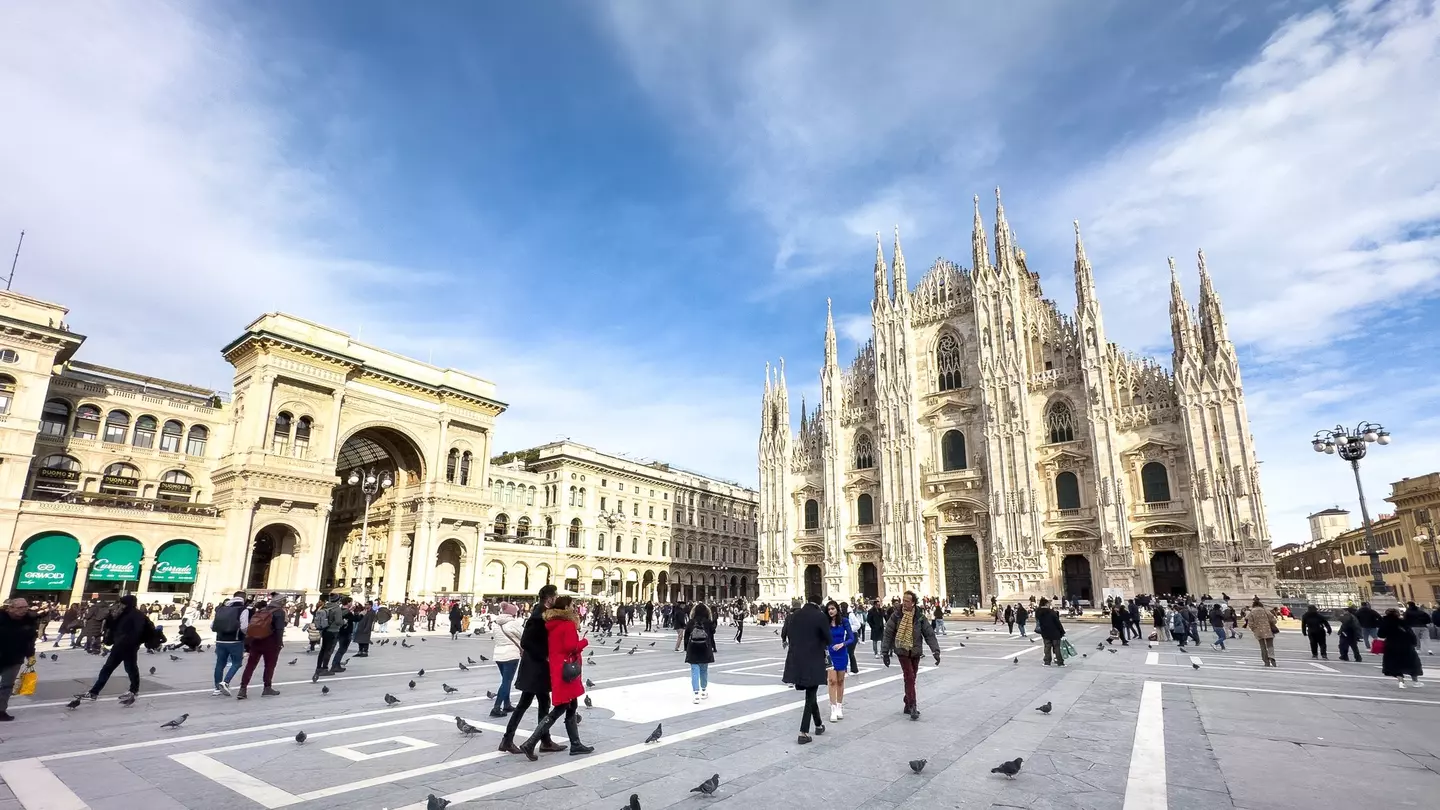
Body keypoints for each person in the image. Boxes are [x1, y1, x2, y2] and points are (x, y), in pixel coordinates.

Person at [518, 596, 592, 758]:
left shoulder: (553, 624)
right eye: (572, 605)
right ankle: (530, 743)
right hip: (567, 671)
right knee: (561, 707)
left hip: (558, 669)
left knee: (571, 706)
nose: (574, 608)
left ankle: (576, 744)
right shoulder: (567, 624)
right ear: (566, 607)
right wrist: (584, 641)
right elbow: (571, 647)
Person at [500, 585, 566, 755]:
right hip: (535, 668)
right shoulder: (539, 616)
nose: (556, 599)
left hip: (535, 668)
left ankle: (536, 740)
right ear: (550, 598)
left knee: (534, 703)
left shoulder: (541, 612)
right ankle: (540, 741)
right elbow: (526, 642)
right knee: (535, 704)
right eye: (555, 596)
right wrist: (544, 656)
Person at [882, 591, 941, 721]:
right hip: (902, 650)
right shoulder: (897, 615)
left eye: (908, 601)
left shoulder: (919, 616)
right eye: (904, 600)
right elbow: (888, 633)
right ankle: (913, 706)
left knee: (912, 678)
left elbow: (929, 634)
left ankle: (907, 702)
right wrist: (885, 652)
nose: (905, 603)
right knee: (909, 676)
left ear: (913, 602)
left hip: (915, 651)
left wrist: (935, 651)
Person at [81, 595, 150, 702]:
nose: (121, 605)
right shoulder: (126, 614)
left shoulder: (135, 615)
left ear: (127, 604)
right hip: (124, 646)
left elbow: (138, 631)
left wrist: (129, 642)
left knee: (109, 669)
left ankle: (94, 692)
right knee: (130, 669)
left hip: (125, 646)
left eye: (123, 603)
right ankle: (134, 690)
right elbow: (115, 628)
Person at [781, 595, 830, 745]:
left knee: (811, 692)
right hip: (813, 659)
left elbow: (787, 633)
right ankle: (803, 732)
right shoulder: (820, 616)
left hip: (796, 660)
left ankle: (819, 725)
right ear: (820, 603)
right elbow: (828, 638)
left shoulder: (794, 615)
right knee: (810, 694)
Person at [237, 596, 287, 699]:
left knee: (250, 665)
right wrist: (279, 642)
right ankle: (267, 688)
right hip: (270, 642)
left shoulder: (262, 610)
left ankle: (243, 689)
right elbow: (279, 629)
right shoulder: (279, 612)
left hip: (256, 641)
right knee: (269, 666)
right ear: (281, 602)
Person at [0, 598, 39, 721]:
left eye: (25, 607)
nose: (23, 610)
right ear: (10, 608)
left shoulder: (29, 620)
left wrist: (30, 655)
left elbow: (30, 640)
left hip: (15, 658)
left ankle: (1, 710)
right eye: (20, 608)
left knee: (7, 685)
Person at [210, 593, 249, 696]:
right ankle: (226, 682)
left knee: (220, 664)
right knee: (237, 663)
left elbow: (212, 625)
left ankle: (216, 688)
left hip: (220, 640)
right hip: (235, 641)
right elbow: (244, 626)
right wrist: (245, 635)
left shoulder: (222, 608)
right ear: (243, 599)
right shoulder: (243, 609)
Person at [824, 601, 856, 722]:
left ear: (837, 609)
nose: (831, 611)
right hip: (831, 654)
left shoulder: (844, 621)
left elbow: (851, 638)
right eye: (828, 609)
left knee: (841, 680)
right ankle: (832, 708)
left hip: (842, 653)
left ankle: (839, 706)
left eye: (832, 608)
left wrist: (842, 644)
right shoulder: (825, 623)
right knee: (832, 681)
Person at [1378, 607, 1424, 688]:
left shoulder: (1385, 623)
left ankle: (1401, 682)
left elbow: (1381, 634)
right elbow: (1410, 633)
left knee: (1395, 665)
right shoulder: (1402, 622)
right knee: (1412, 664)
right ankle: (1415, 682)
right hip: (1406, 646)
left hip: (1391, 646)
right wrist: (1414, 643)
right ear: (1397, 614)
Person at [492, 602, 523, 717]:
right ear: (513, 613)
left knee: (505, 680)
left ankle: (507, 704)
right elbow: (523, 636)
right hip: (511, 655)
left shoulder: (496, 623)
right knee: (507, 681)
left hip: (498, 655)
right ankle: (496, 707)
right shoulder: (514, 623)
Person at [685, 603, 717, 703]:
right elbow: (712, 633)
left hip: (693, 648)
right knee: (704, 670)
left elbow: (686, 636)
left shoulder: (691, 622)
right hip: (705, 648)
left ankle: (696, 694)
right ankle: (703, 691)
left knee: (695, 670)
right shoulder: (708, 622)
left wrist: (686, 648)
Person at [1244, 598, 1278, 667]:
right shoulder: (1265, 610)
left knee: (1263, 646)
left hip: (1258, 631)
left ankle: (1266, 661)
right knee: (1270, 645)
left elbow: (1250, 623)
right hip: (1268, 630)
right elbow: (1273, 620)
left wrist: (1254, 629)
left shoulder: (1252, 612)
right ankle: (1272, 657)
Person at [1035, 598, 1066, 666]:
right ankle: (1060, 662)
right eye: (1049, 603)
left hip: (1045, 632)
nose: (1049, 605)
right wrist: (1062, 631)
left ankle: (1047, 662)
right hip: (1055, 632)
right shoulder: (1051, 612)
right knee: (1057, 648)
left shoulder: (1038, 612)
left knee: (1047, 647)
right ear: (1046, 604)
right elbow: (1057, 622)